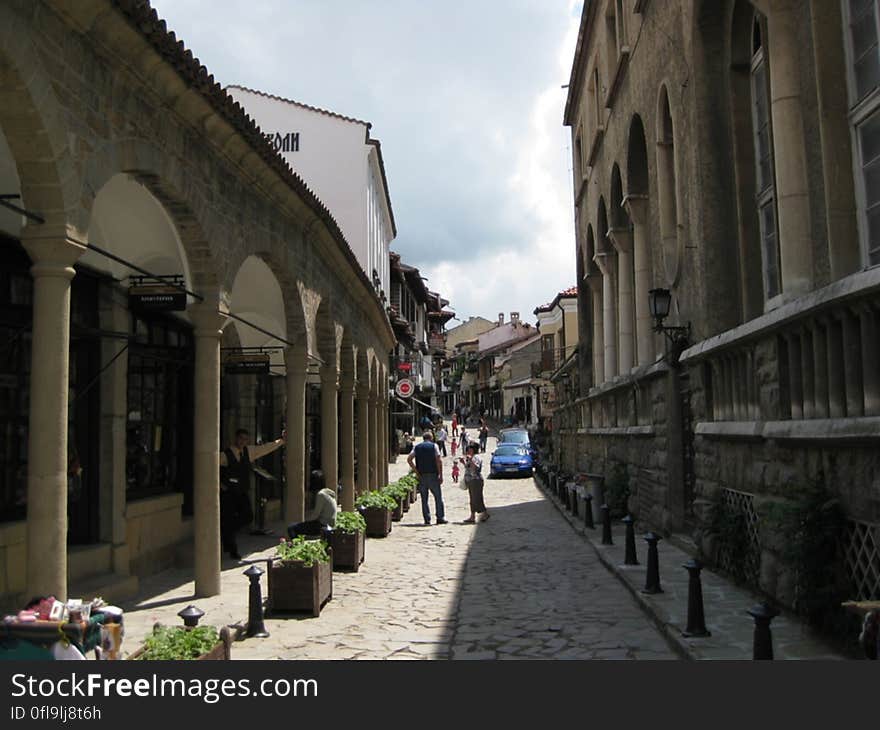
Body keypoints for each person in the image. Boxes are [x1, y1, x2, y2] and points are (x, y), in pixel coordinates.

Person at [219, 427, 285, 560]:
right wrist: (220, 486)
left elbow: (265, 448)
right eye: (241, 439)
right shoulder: (225, 454)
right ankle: (232, 549)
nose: (243, 441)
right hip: (229, 493)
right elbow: (211, 466)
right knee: (229, 519)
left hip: (242, 491)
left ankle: (227, 531)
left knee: (247, 516)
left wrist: (281, 441)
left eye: (245, 439)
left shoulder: (248, 452)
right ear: (236, 439)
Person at [406, 431, 446, 525]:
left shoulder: (417, 447)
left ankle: (427, 519)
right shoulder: (434, 446)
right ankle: (440, 517)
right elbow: (438, 460)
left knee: (424, 499)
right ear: (431, 438)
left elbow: (409, 459)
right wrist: (440, 474)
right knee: (438, 497)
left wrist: (416, 472)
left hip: (422, 475)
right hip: (433, 474)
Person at [286, 469, 337, 539]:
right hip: (330, 525)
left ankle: (296, 546)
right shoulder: (329, 493)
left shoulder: (321, 494)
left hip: (323, 525)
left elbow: (316, 514)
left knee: (291, 527)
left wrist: (305, 522)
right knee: (300, 526)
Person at [461, 443, 490, 524]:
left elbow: (476, 468)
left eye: (469, 449)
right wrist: (464, 462)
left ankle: (485, 513)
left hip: (476, 480)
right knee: (472, 499)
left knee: (477, 498)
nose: (468, 451)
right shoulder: (471, 458)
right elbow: (468, 468)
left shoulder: (476, 457)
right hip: (471, 480)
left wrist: (470, 460)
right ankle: (472, 516)